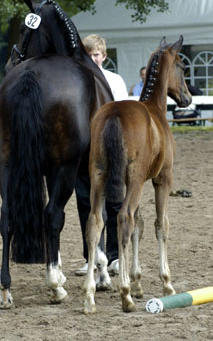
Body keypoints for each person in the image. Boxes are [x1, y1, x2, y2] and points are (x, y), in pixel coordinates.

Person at [75, 34, 128, 276]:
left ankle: (115, 255)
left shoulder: (115, 81)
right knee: (86, 202)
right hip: (86, 150)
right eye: (88, 54)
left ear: (104, 57)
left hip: (112, 147)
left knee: (115, 202)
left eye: (96, 54)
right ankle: (92, 255)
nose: (93, 58)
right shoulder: (76, 81)